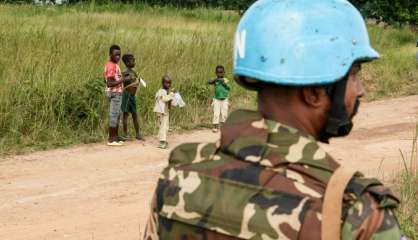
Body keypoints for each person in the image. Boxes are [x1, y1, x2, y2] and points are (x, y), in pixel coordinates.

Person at [144, 0, 405, 239]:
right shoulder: (357, 214)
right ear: (314, 93)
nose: (360, 90)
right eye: (354, 75)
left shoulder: (179, 175)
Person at [104, 44, 126, 146]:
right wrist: (123, 80)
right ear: (110, 55)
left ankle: (116, 136)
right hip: (114, 93)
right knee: (114, 115)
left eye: (119, 55)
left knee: (117, 114)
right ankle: (111, 139)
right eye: (115, 55)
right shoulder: (111, 66)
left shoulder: (115, 65)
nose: (118, 57)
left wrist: (124, 79)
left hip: (118, 93)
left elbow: (115, 79)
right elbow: (109, 83)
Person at [121, 53, 145, 141]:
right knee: (125, 114)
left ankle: (138, 134)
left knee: (135, 114)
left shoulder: (134, 72)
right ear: (127, 62)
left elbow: (136, 81)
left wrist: (139, 79)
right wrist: (130, 78)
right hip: (126, 95)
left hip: (132, 96)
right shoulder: (125, 72)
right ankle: (125, 134)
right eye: (132, 60)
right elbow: (123, 81)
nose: (134, 61)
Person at [153, 75, 175, 149]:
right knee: (163, 127)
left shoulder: (165, 91)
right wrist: (172, 94)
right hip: (161, 112)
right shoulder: (161, 91)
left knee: (165, 126)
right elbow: (165, 99)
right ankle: (162, 142)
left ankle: (163, 140)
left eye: (169, 83)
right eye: (166, 83)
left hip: (164, 111)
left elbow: (167, 100)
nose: (168, 85)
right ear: (162, 83)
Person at [208, 65, 230, 133]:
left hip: (224, 99)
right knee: (216, 114)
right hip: (217, 99)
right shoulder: (215, 80)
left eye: (221, 72)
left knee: (224, 114)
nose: (220, 74)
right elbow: (209, 82)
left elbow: (228, 88)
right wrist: (215, 79)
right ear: (216, 73)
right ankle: (215, 127)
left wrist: (223, 82)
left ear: (224, 72)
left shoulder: (225, 80)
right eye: (218, 72)